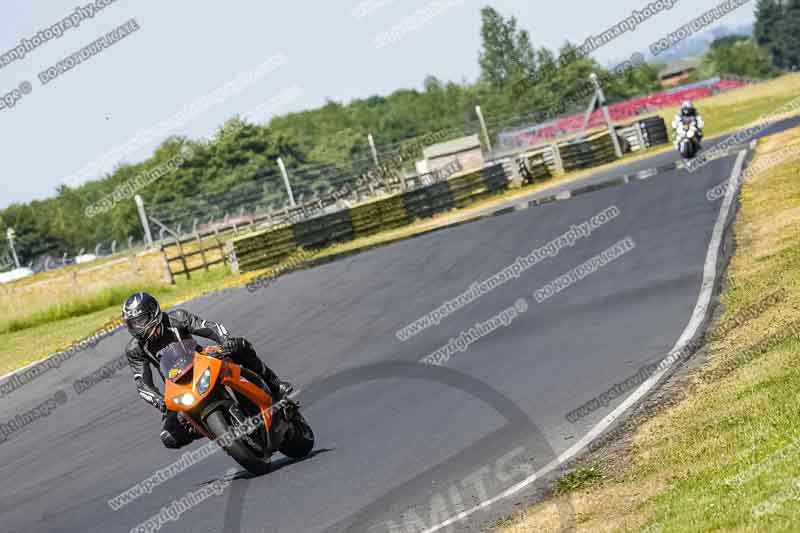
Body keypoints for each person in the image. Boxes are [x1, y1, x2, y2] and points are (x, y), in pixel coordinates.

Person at [122, 292, 293, 449]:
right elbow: (143, 385)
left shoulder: (177, 317)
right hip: (177, 385)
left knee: (239, 347)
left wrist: (226, 341)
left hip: (202, 362)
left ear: (153, 313)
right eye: (132, 324)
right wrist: (161, 402)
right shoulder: (134, 349)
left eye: (140, 321)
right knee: (169, 437)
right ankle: (210, 427)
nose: (137, 328)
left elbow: (211, 327)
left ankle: (275, 383)